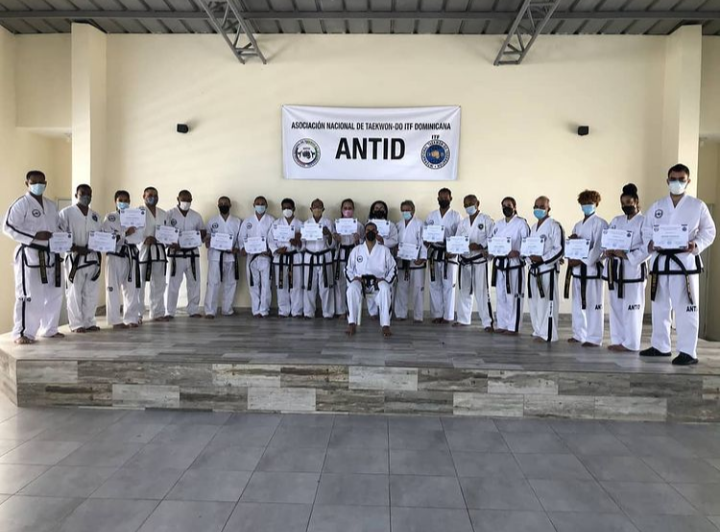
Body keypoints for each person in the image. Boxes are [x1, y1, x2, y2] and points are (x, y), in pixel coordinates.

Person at [640, 164, 716, 365]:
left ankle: (688, 352)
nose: (677, 182)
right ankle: (660, 346)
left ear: (688, 181)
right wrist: (650, 243)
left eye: (681, 179)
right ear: (667, 181)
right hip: (661, 261)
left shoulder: (697, 205)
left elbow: (709, 231)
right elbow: (646, 230)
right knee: (659, 306)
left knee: (687, 308)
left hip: (684, 263)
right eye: (673, 179)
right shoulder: (657, 206)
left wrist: (696, 244)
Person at [3, 171, 64, 344]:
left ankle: (50, 329)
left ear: (46, 183)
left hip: (52, 254)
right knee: (29, 295)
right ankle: (23, 333)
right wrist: (35, 235)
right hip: (30, 254)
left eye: (41, 182)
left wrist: (63, 239)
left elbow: (57, 227)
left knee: (54, 294)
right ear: (27, 183)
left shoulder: (51, 206)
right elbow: (7, 226)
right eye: (34, 182)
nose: (38, 184)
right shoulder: (21, 204)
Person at [603, 184, 650, 352]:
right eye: (623, 203)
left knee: (632, 308)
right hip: (615, 270)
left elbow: (648, 247)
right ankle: (618, 339)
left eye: (629, 202)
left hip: (632, 271)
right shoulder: (616, 221)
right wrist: (607, 251)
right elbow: (607, 240)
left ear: (636, 201)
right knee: (615, 306)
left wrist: (626, 255)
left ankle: (631, 343)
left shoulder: (644, 222)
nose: (625, 205)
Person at [59, 184, 103, 333]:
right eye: (83, 193)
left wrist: (103, 244)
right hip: (75, 258)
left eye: (89, 193)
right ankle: (76, 324)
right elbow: (60, 236)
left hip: (92, 258)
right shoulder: (66, 213)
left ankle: (89, 321)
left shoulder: (95, 216)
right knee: (74, 291)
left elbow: (101, 236)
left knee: (91, 291)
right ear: (76, 194)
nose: (86, 196)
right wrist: (76, 248)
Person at [566, 190, 608, 347]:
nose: (586, 206)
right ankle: (579, 334)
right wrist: (571, 258)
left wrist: (580, 260)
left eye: (589, 203)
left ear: (596, 204)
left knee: (593, 305)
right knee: (577, 304)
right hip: (577, 271)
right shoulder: (578, 225)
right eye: (584, 203)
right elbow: (572, 246)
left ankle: (594, 338)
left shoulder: (600, 223)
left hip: (591, 270)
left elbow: (597, 249)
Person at [346, 222, 398, 337]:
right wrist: (353, 278)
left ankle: (385, 325)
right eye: (368, 230)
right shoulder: (357, 250)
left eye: (373, 230)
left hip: (378, 281)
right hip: (361, 281)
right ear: (365, 232)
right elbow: (348, 269)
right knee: (351, 289)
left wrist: (385, 280)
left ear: (377, 233)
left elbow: (393, 269)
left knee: (385, 288)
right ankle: (351, 323)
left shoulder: (384, 250)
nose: (370, 232)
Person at [103, 190, 143, 329]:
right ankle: (115, 320)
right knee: (112, 289)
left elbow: (138, 237)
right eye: (121, 200)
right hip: (114, 256)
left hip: (131, 255)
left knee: (131, 288)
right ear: (115, 201)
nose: (124, 203)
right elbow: (108, 239)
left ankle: (131, 318)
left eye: (126, 200)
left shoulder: (135, 217)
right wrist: (125, 234)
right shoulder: (110, 218)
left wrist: (123, 237)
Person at [526, 196, 564, 342]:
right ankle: (538, 330)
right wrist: (529, 258)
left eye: (542, 206)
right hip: (534, 269)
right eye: (536, 206)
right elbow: (527, 247)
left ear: (549, 208)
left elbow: (559, 249)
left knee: (547, 301)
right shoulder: (534, 227)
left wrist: (542, 258)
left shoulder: (555, 226)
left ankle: (548, 334)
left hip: (547, 268)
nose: (539, 209)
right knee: (534, 301)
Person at [490, 197, 530, 335]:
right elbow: (492, 241)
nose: (506, 208)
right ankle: (502, 324)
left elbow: (528, 243)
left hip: (514, 265)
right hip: (500, 264)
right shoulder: (498, 224)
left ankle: (513, 327)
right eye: (503, 205)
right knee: (501, 295)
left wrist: (519, 253)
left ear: (514, 206)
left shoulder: (521, 223)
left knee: (514, 296)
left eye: (508, 205)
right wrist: (489, 252)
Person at [454, 194, 494, 330]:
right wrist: (454, 249)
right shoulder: (463, 223)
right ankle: (463, 319)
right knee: (464, 290)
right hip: (465, 260)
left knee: (482, 291)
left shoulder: (486, 220)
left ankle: (487, 322)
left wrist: (481, 246)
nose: (468, 206)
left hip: (479, 261)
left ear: (478, 203)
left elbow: (493, 238)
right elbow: (457, 240)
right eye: (466, 204)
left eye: (471, 203)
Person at [165, 190, 206, 318]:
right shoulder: (169, 214)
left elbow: (203, 232)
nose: (186, 202)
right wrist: (170, 243)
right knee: (172, 283)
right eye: (184, 199)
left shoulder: (196, 216)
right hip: (175, 254)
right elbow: (164, 233)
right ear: (178, 198)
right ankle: (169, 312)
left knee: (194, 282)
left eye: (189, 200)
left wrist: (200, 235)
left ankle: (193, 310)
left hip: (192, 254)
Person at [424, 188, 462, 324]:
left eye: (446, 197)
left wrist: (454, 250)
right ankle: (437, 314)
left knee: (449, 285)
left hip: (449, 253)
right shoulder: (431, 215)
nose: (443, 200)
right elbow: (425, 232)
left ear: (451, 198)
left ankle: (448, 315)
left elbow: (460, 235)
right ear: (437, 199)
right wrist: (426, 240)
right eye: (441, 197)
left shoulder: (456, 216)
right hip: (434, 252)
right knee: (434, 284)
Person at [204, 196, 242, 318]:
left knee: (230, 283)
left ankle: (227, 309)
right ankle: (210, 311)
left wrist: (237, 248)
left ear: (230, 205)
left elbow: (240, 239)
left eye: (226, 203)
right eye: (221, 203)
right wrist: (208, 241)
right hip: (216, 257)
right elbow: (207, 238)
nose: (224, 205)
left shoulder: (237, 221)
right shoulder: (212, 220)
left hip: (231, 257)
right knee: (213, 283)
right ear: (218, 205)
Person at [239, 196, 275, 318]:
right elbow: (241, 238)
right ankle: (256, 310)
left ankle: (264, 310)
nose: (260, 205)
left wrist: (270, 250)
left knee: (266, 285)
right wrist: (242, 248)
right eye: (258, 203)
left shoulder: (271, 220)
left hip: (265, 257)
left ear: (266, 206)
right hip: (251, 257)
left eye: (262, 203)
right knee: (253, 284)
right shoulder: (247, 221)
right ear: (253, 205)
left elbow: (273, 239)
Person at [138, 186, 169, 322]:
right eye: (150, 195)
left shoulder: (163, 214)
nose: (153, 198)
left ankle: (157, 312)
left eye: (155, 195)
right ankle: (136, 314)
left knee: (159, 283)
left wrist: (168, 240)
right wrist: (144, 239)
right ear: (143, 196)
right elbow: (131, 232)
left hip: (159, 252)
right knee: (139, 284)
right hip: (142, 252)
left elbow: (168, 232)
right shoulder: (137, 213)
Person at [302, 198, 336, 319]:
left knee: (326, 285)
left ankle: (328, 312)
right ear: (311, 209)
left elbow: (333, 245)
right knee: (309, 285)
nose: (317, 209)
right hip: (310, 256)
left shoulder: (328, 223)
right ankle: (308, 312)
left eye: (319, 207)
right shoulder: (306, 224)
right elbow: (302, 245)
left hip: (324, 256)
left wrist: (328, 235)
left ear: (323, 209)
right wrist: (299, 239)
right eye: (315, 207)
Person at [270, 198, 304, 318]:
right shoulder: (276, 224)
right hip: (280, 258)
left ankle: (297, 311)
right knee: (281, 285)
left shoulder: (300, 224)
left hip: (295, 257)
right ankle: (283, 310)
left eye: (289, 207)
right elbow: (270, 241)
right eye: (284, 208)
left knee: (297, 285)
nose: (287, 210)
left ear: (294, 209)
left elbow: (304, 244)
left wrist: (298, 243)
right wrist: (277, 250)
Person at [394, 200, 426, 323]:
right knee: (401, 288)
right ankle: (401, 314)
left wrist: (422, 258)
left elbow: (424, 242)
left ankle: (418, 316)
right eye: (403, 210)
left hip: (416, 261)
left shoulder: (420, 224)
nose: (405, 212)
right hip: (402, 261)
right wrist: (396, 250)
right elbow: (395, 241)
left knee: (418, 289)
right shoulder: (398, 225)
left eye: (408, 210)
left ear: (413, 210)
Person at [333, 199, 363, 318]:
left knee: (353, 284)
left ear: (353, 210)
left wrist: (357, 240)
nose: (347, 210)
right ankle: (341, 311)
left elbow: (364, 244)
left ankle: (353, 311)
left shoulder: (359, 225)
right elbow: (331, 244)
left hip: (354, 255)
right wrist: (336, 240)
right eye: (345, 208)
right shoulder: (336, 224)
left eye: (350, 208)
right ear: (341, 210)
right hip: (340, 254)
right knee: (340, 284)